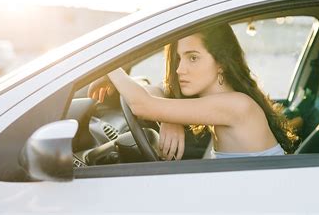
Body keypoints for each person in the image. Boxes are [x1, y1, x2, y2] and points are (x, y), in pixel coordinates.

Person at [88, 23, 299, 160]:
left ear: (221, 63)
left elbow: (143, 105)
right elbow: (154, 91)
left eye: (193, 58)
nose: (180, 69)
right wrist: (171, 118)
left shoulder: (237, 106)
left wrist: (110, 67)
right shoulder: (221, 102)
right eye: (179, 58)